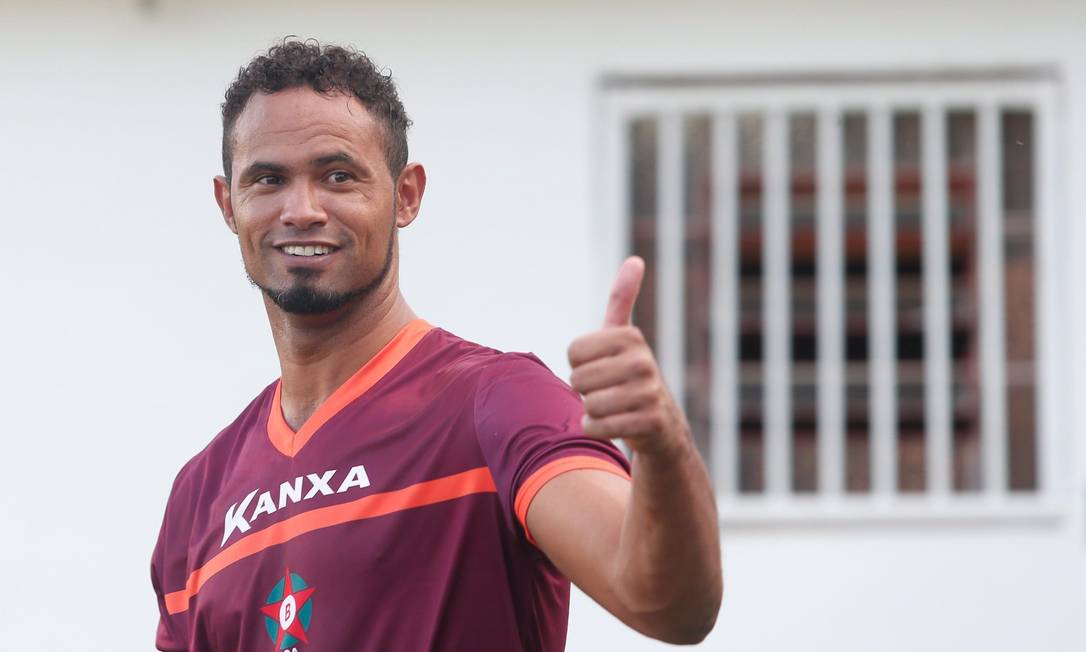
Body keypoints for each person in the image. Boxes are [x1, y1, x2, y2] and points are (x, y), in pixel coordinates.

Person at [151, 39, 722, 652]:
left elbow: (668, 606)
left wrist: (663, 445)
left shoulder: (498, 404)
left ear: (406, 195)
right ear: (228, 205)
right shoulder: (199, 497)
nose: (302, 210)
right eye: (268, 180)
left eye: (338, 176)